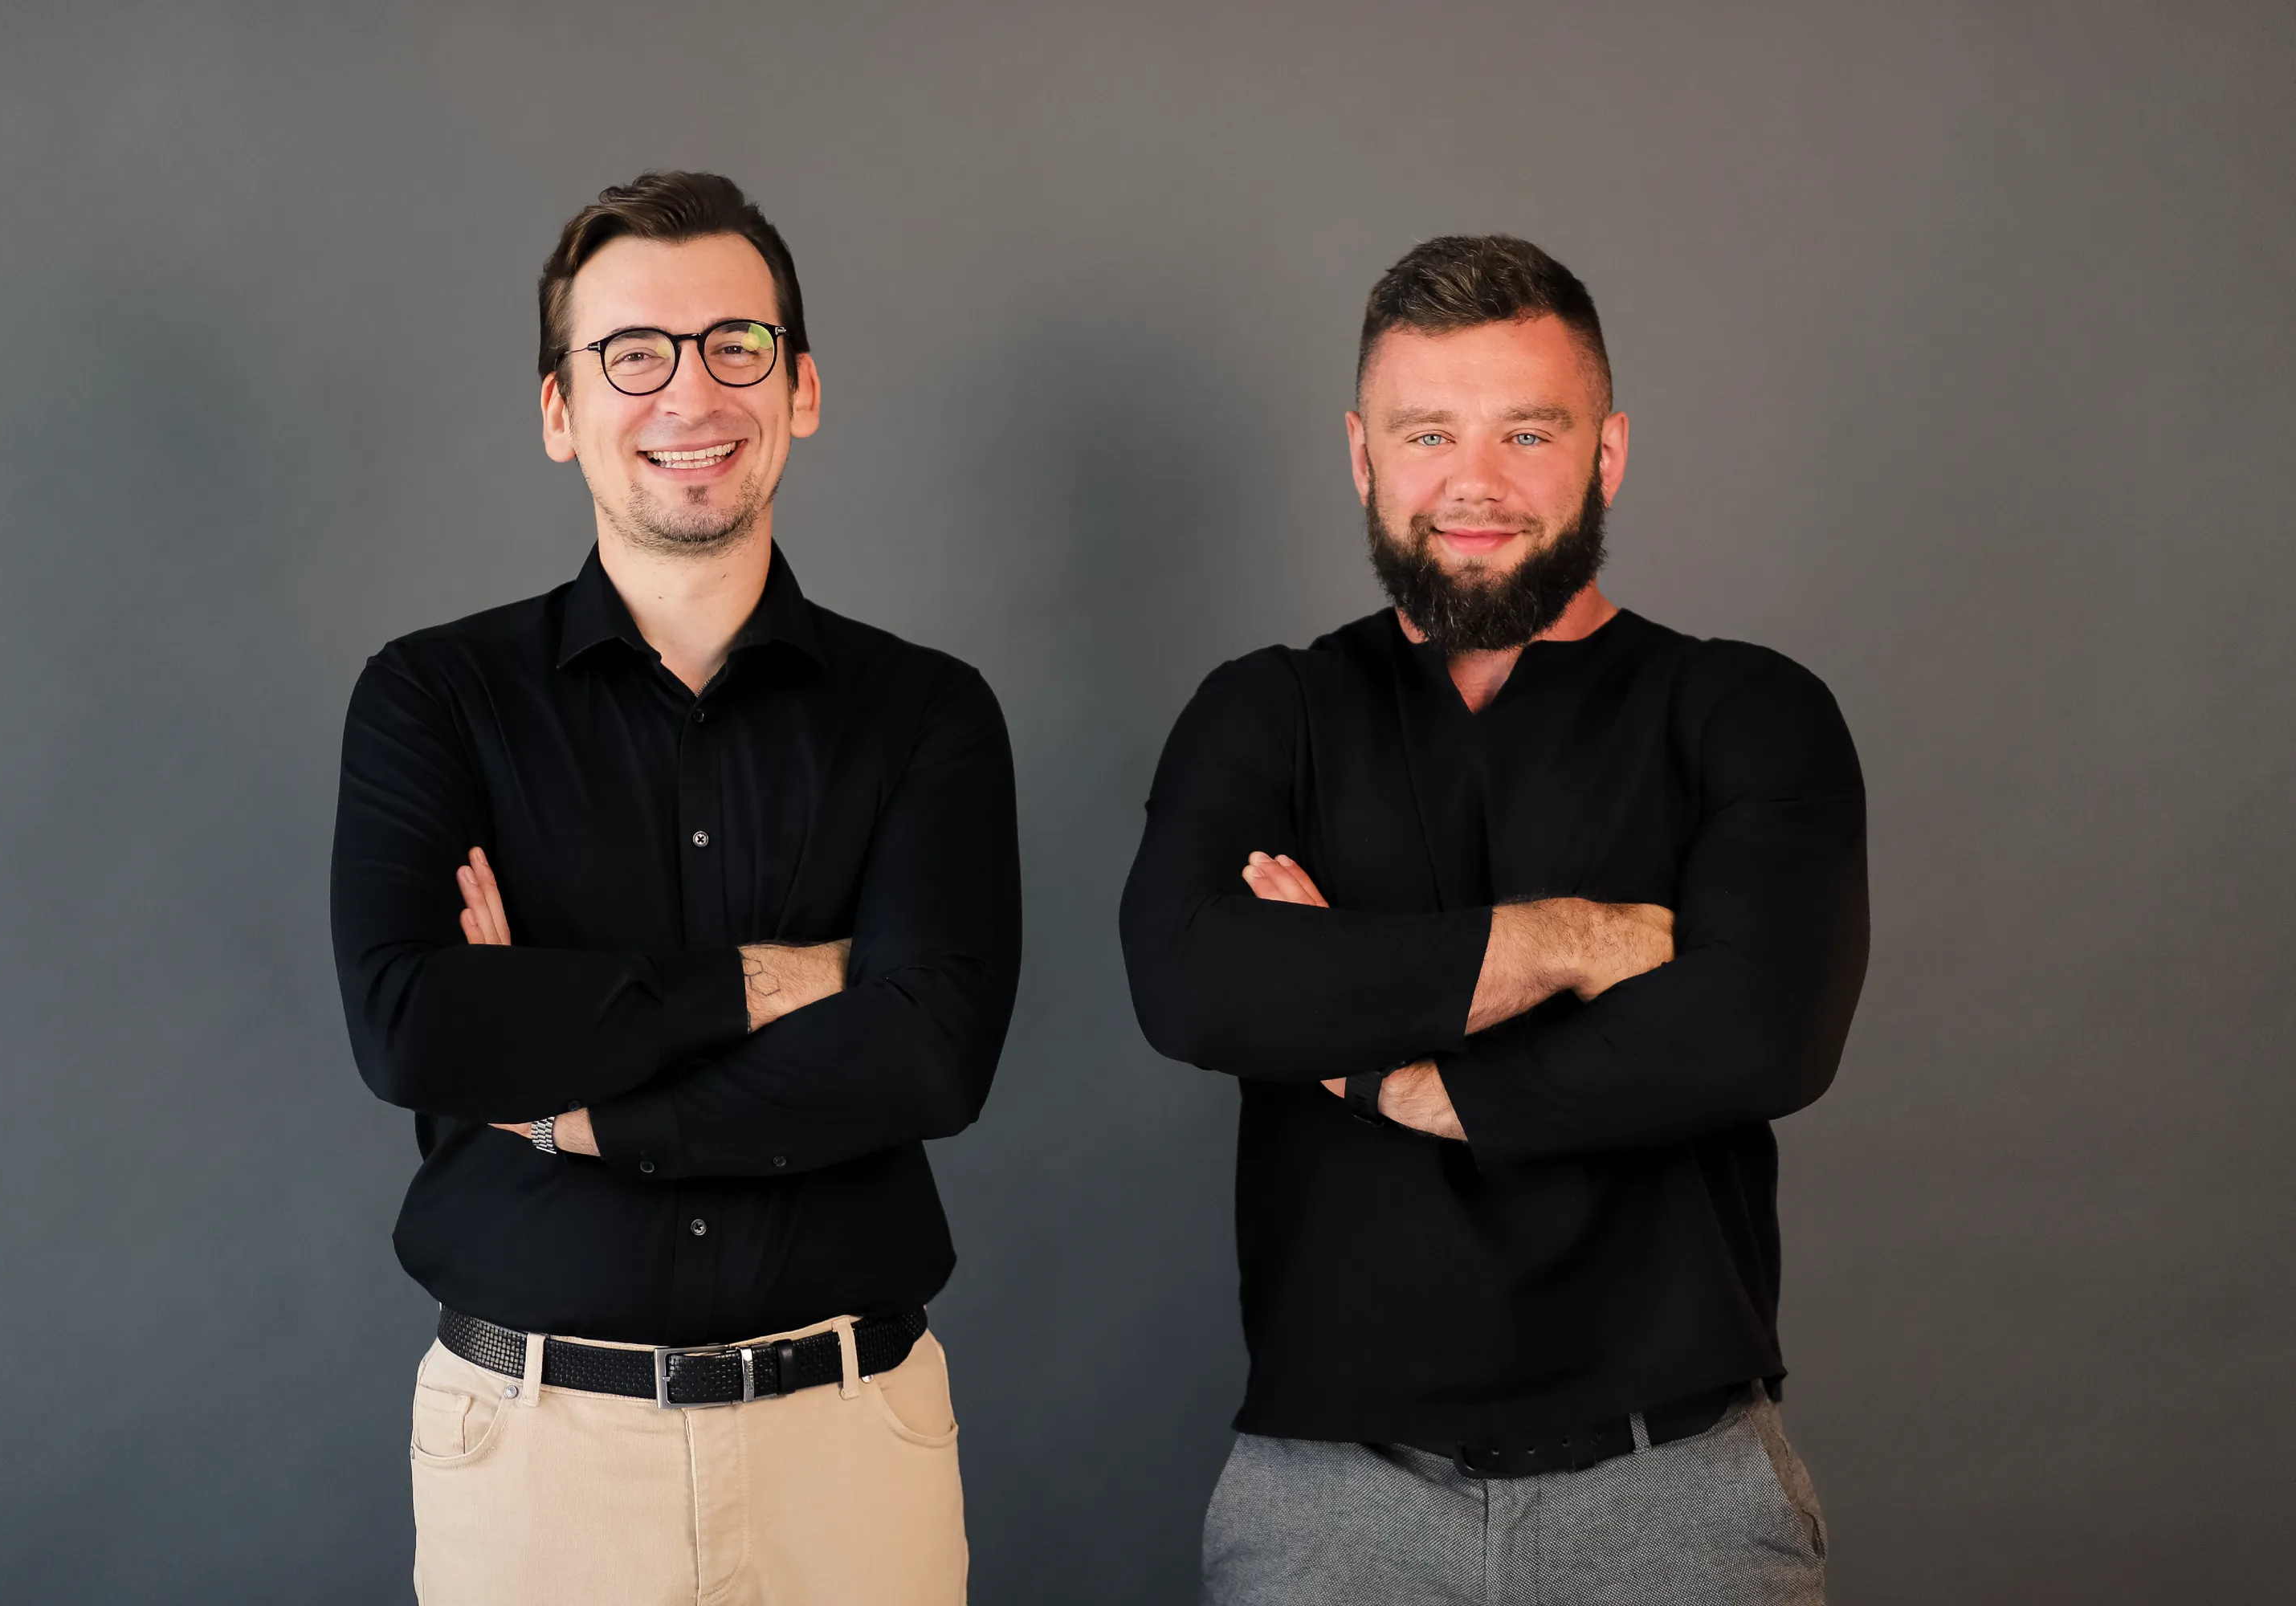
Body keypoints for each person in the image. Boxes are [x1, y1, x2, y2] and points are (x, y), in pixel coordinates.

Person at [1119, 234, 1868, 1604]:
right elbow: (1192, 984)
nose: (1475, 483)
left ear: (1608, 452)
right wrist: (1573, 942)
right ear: (1362, 455)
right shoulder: (1267, 714)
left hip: (1677, 1495)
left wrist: (1383, 1069)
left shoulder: (1747, 712)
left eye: (1529, 432)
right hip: (1329, 1504)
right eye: (1428, 435)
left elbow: (1762, 1033)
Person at [329, 170, 1018, 1605]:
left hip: (851, 1449)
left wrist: (573, 1101)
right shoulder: (434, 698)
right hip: (536, 1456)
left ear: (801, 387)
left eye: (735, 346)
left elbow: (931, 1057)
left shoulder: (926, 712)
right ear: (559, 410)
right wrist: (789, 981)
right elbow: (414, 1030)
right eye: (633, 354)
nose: (690, 393)